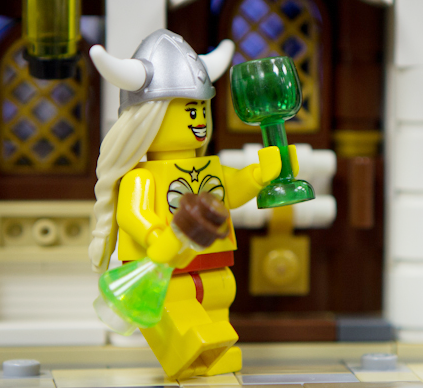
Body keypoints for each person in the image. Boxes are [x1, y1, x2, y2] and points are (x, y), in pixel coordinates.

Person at [86, 29, 298, 379]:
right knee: (185, 317)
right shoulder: (142, 177)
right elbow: (133, 214)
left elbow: (230, 189)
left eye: (201, 108)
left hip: (213, 264)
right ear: (149, 118)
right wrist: (158, 237)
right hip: (166, 270)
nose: (199, 119)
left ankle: (215, 356)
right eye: (189, 110)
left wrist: (260, 174)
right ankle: (189, 352)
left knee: (217, 309)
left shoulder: (207, 166)